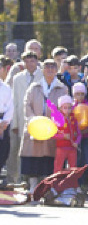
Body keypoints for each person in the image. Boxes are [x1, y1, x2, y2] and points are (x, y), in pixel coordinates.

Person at [20, 59, 69, 192]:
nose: (50, 69)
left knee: (50, 159)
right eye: (47, 67)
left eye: (53, 67)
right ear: (42, 69)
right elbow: (27, 105)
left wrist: (56, 123)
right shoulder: (34, 86)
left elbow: (65, 108)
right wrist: (33, 121)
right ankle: (32, 186)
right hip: (35, 127)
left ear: (57, 69)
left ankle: (48, 188)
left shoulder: (62, 88)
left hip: (52, 129)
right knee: (33, 158)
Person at [8, 51, 43, 185]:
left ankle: (37, 181)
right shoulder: (17, 78)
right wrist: (15, 124)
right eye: (27, 61)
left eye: (32, 61)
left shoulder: (42, 74)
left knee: (37, 151)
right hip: (22, 119)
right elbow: (15, 101)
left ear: (37, 61)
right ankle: (17, 180)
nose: (30, 64)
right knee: (19, 152)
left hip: (38, 118)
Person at [52, 95, 81, 173]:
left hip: (72, 148)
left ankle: (72, 184)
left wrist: (77, 142)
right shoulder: (57, 119)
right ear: (60, 108)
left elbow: (79, 133)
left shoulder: (74, 119)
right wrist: (63, 136)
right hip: (61, 148)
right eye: (65, 108)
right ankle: (55, 184)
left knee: (73, 168)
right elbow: (53, 134)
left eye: (69, 108)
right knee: (58, 167)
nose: (67, 110)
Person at [0, 63, 13, 186]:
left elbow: (10, 106)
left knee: (3, 149)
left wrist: (5, 122)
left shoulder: (6, 87)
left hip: (4, 121)